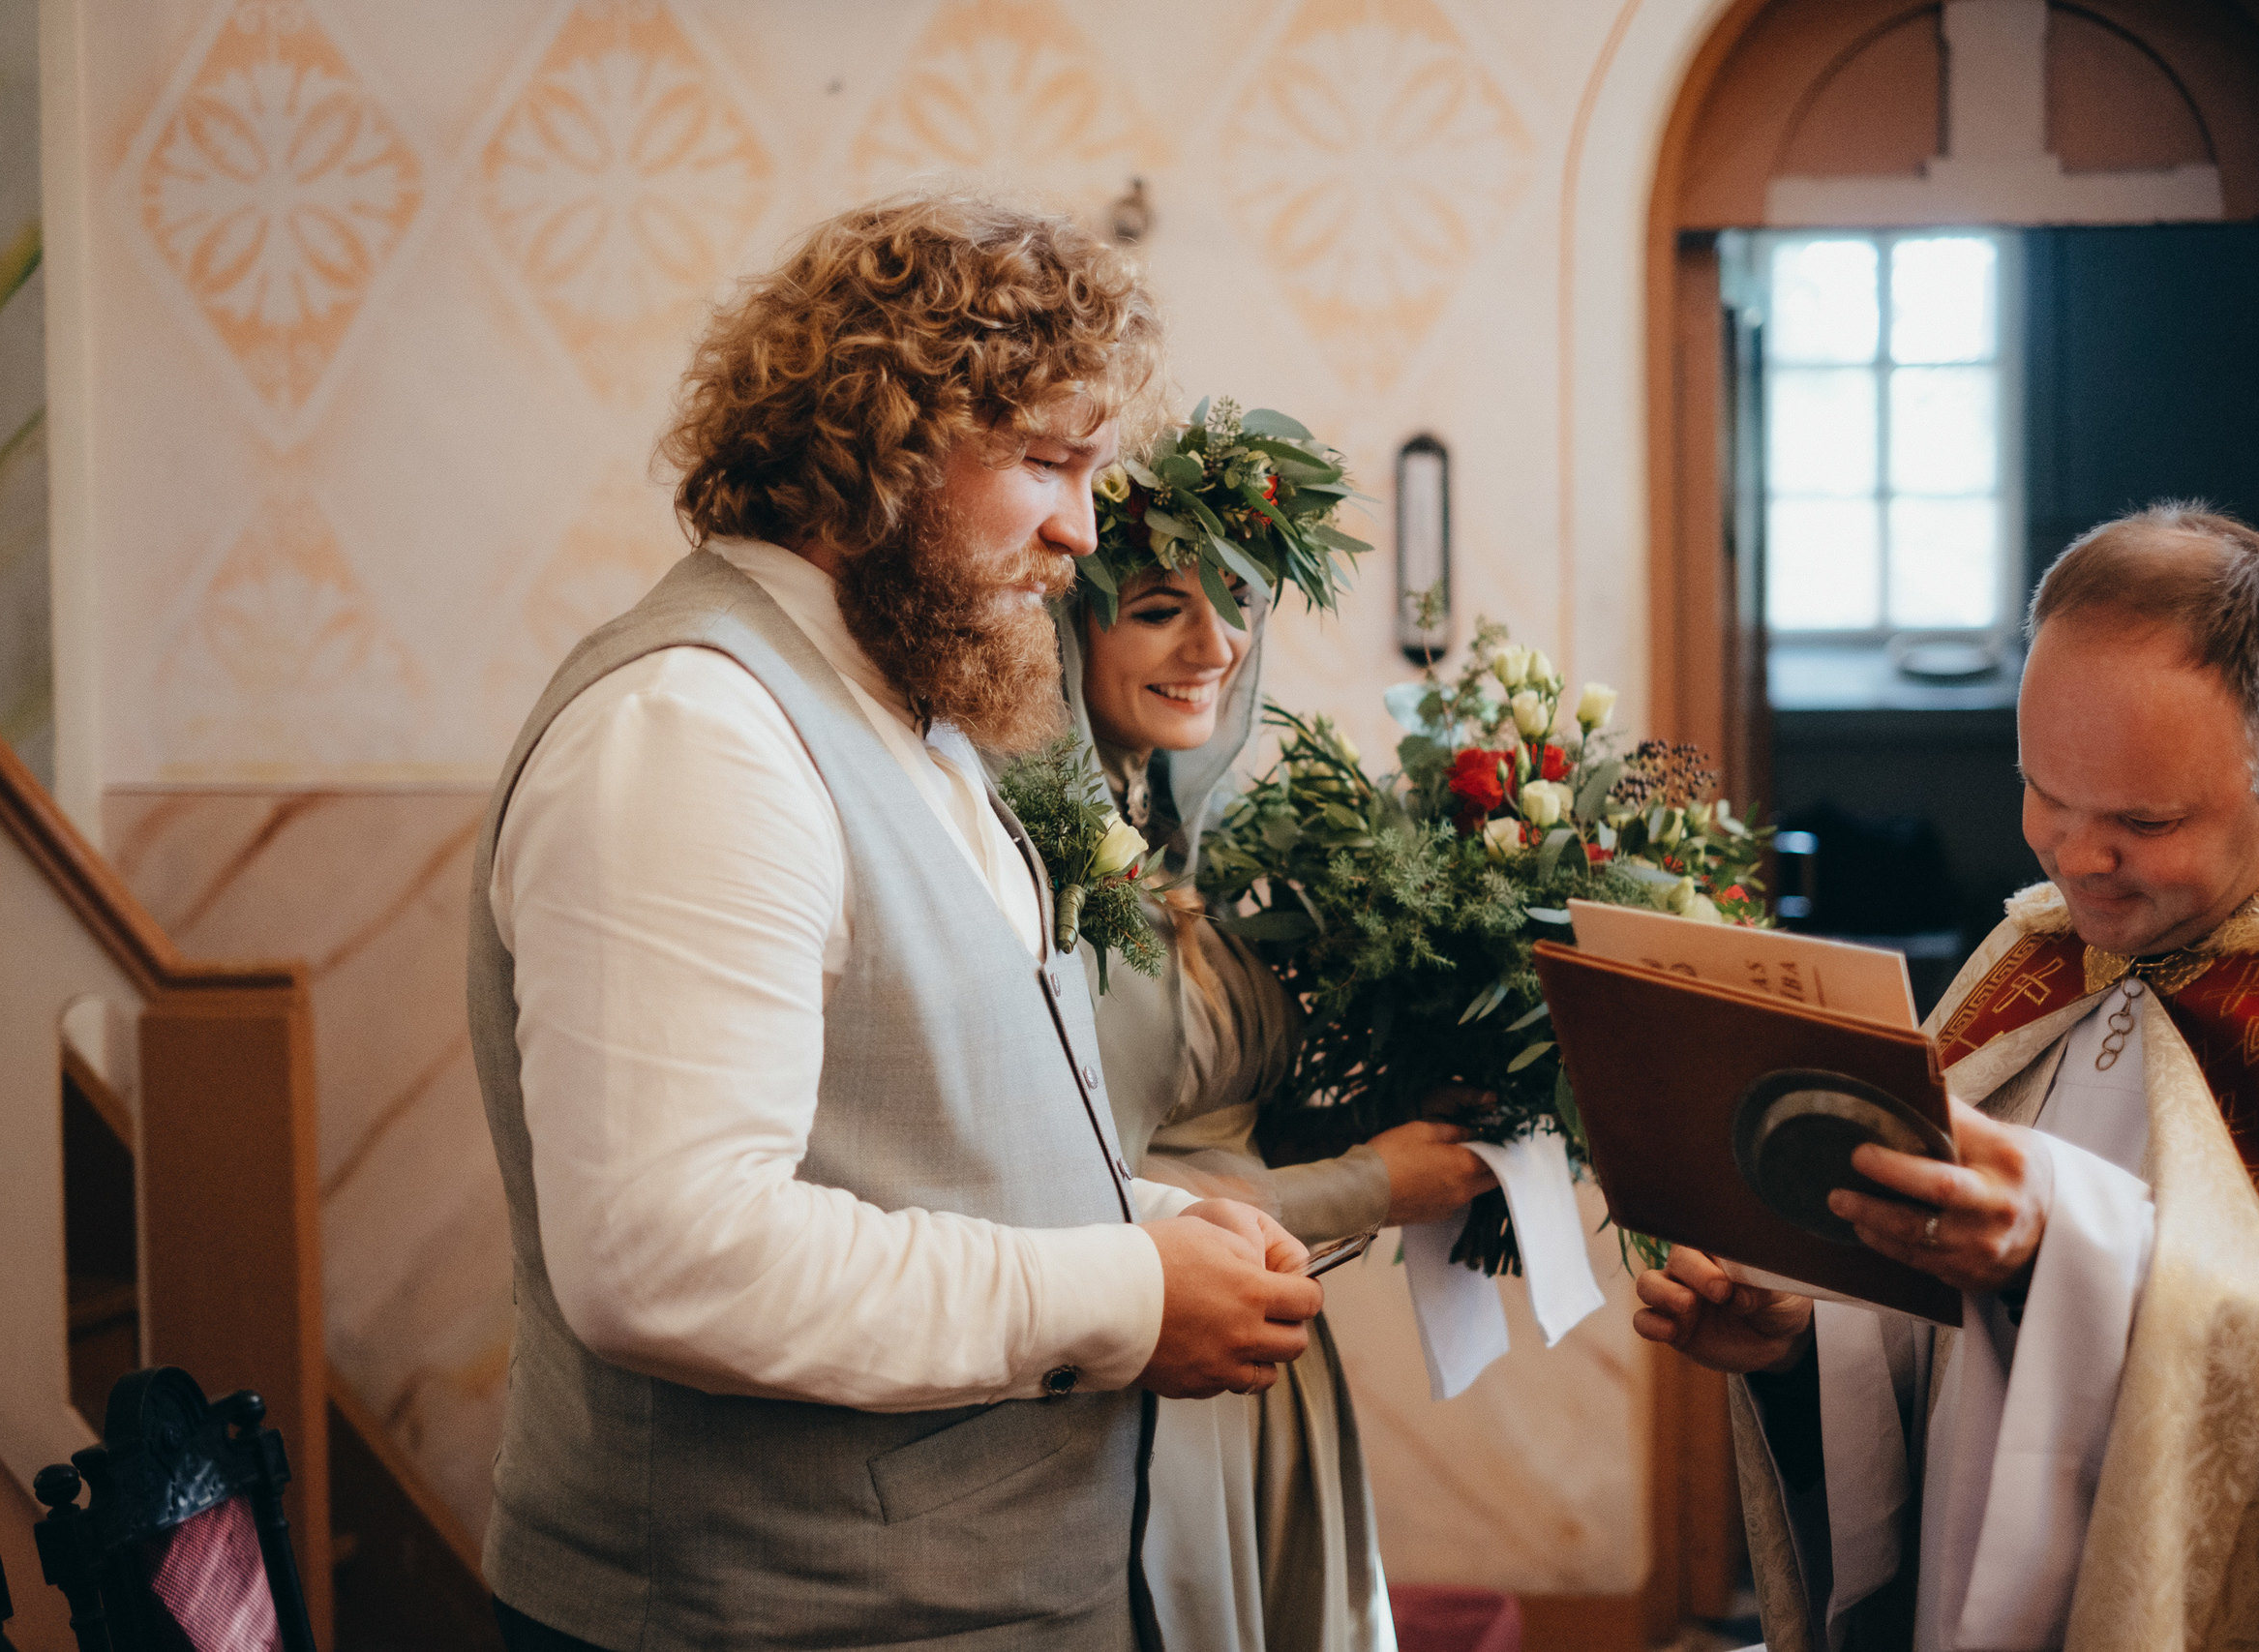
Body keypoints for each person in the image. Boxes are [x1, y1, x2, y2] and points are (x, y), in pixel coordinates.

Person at [466, 195, 1324, 1652]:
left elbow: (922, 1124)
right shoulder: (696, 729)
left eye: (1091, 468)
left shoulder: (911, 716)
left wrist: (1158, 1219)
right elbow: (666, 1254)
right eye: (1046, 462)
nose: (1080, 529)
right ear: (874, 449)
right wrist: (1124, 1288)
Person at [1632, 505, 2259, 1650]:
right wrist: (1806, 1337)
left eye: (2141, 820)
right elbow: (1946, 1349)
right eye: (2044, 798)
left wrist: (2057, 1244)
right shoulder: (2038, 949)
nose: (2075, 862)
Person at [1062, 560, 1498, 1652]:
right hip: (1157, 1372)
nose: (1215, 647)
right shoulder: (1054, 878)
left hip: (1261, 1351)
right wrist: (1375, 1184)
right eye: (1161, 611)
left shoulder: (1167, 842)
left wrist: (1382, 1120)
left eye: (1233, 610)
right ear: (1068, 635)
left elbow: (1215, 1121)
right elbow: (1097, 1196)